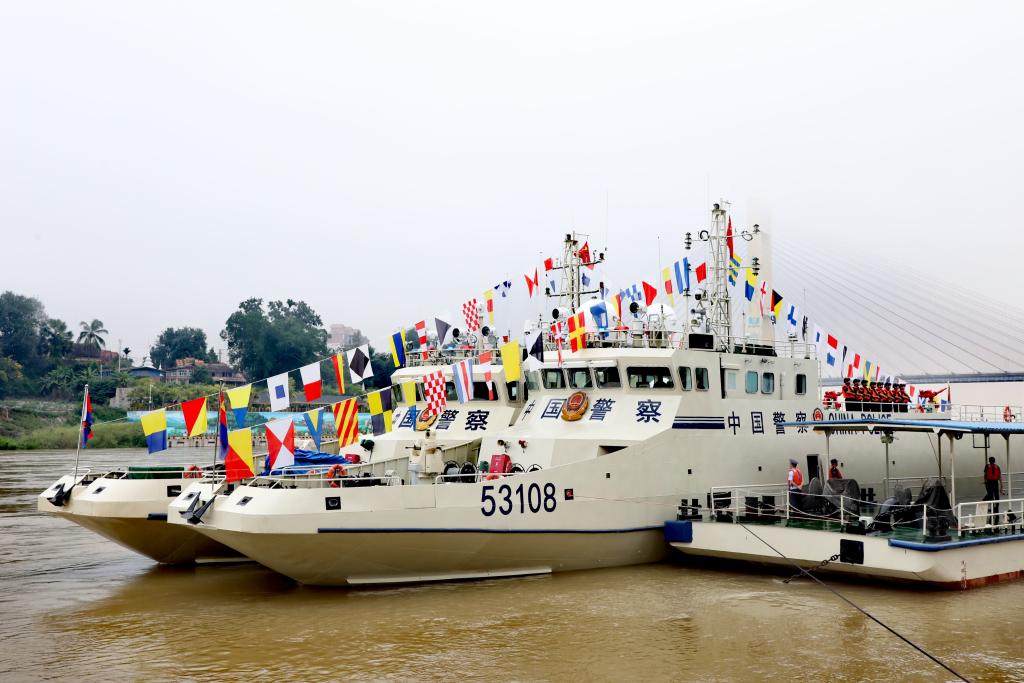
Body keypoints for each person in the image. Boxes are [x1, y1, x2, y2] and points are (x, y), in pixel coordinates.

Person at [983, 456, 1004, 520]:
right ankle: (996, 511)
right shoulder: (997, 467)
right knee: (995, 497)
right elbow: (999, 477)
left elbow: (985, 475)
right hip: (994, 483)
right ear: (994, 461)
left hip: (990, 482)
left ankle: (993, 509)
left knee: (991, 496)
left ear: (989, 461)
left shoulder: (988, 466)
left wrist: (985, 482)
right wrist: (1001, 485)